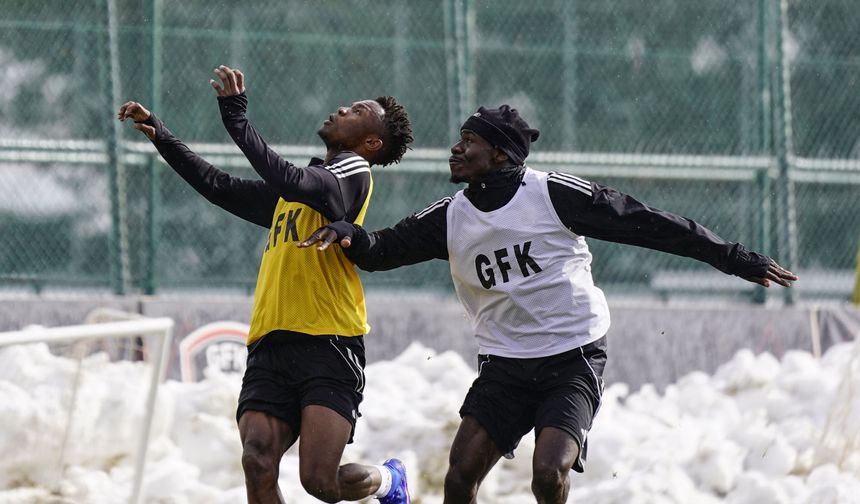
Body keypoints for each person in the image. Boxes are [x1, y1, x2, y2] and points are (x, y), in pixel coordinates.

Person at [299, 104, 799, 503]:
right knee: (459, 477)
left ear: (498, 154)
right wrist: (349, 233)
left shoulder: (551, 193)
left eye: (468, 141)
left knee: (548, 474)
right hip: (504, 366)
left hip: (572, 355)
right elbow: (382, 251)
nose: (455, 148)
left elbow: (646, 222)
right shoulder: (451, 215)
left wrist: (731, 257)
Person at [117, 65, 414, 504]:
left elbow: (291, 178)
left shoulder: (352, 174)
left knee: (320, 482)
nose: (341, 108)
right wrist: (161, 135)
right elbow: (219, 186)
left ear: (371, 142)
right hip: (270, 343)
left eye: (357, 111)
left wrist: (235, 117)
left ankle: (390, 482)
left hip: (327, 341)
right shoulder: (300, 192)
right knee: (257, 461)